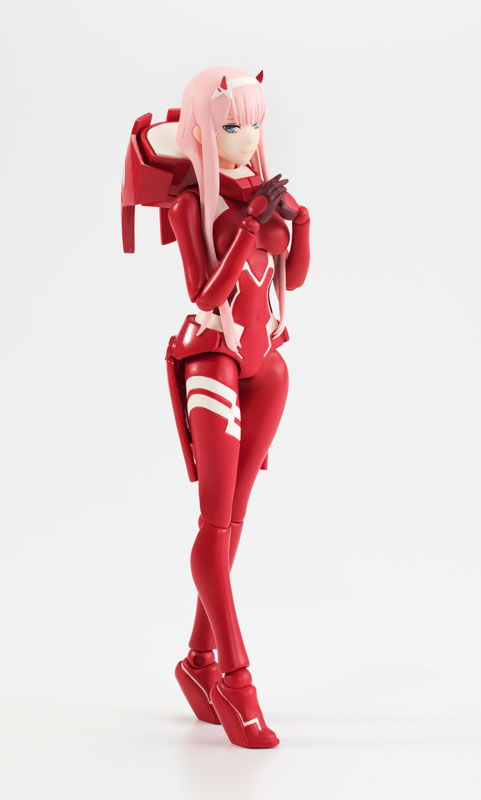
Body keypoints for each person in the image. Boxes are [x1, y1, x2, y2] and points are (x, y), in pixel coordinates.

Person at [122, 65, 310, 748]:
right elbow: (205, 293)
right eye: (233, 124)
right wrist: (250, 228)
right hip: (212, 358)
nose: (248, 136)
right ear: (201, 130)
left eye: (255, 122)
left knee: (235, 521)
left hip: (266, 362)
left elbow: (293, 277)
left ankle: (198, 661)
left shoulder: (257, 194)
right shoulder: (188, 204)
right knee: (215, 525)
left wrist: (297, 221)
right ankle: (235, 678)